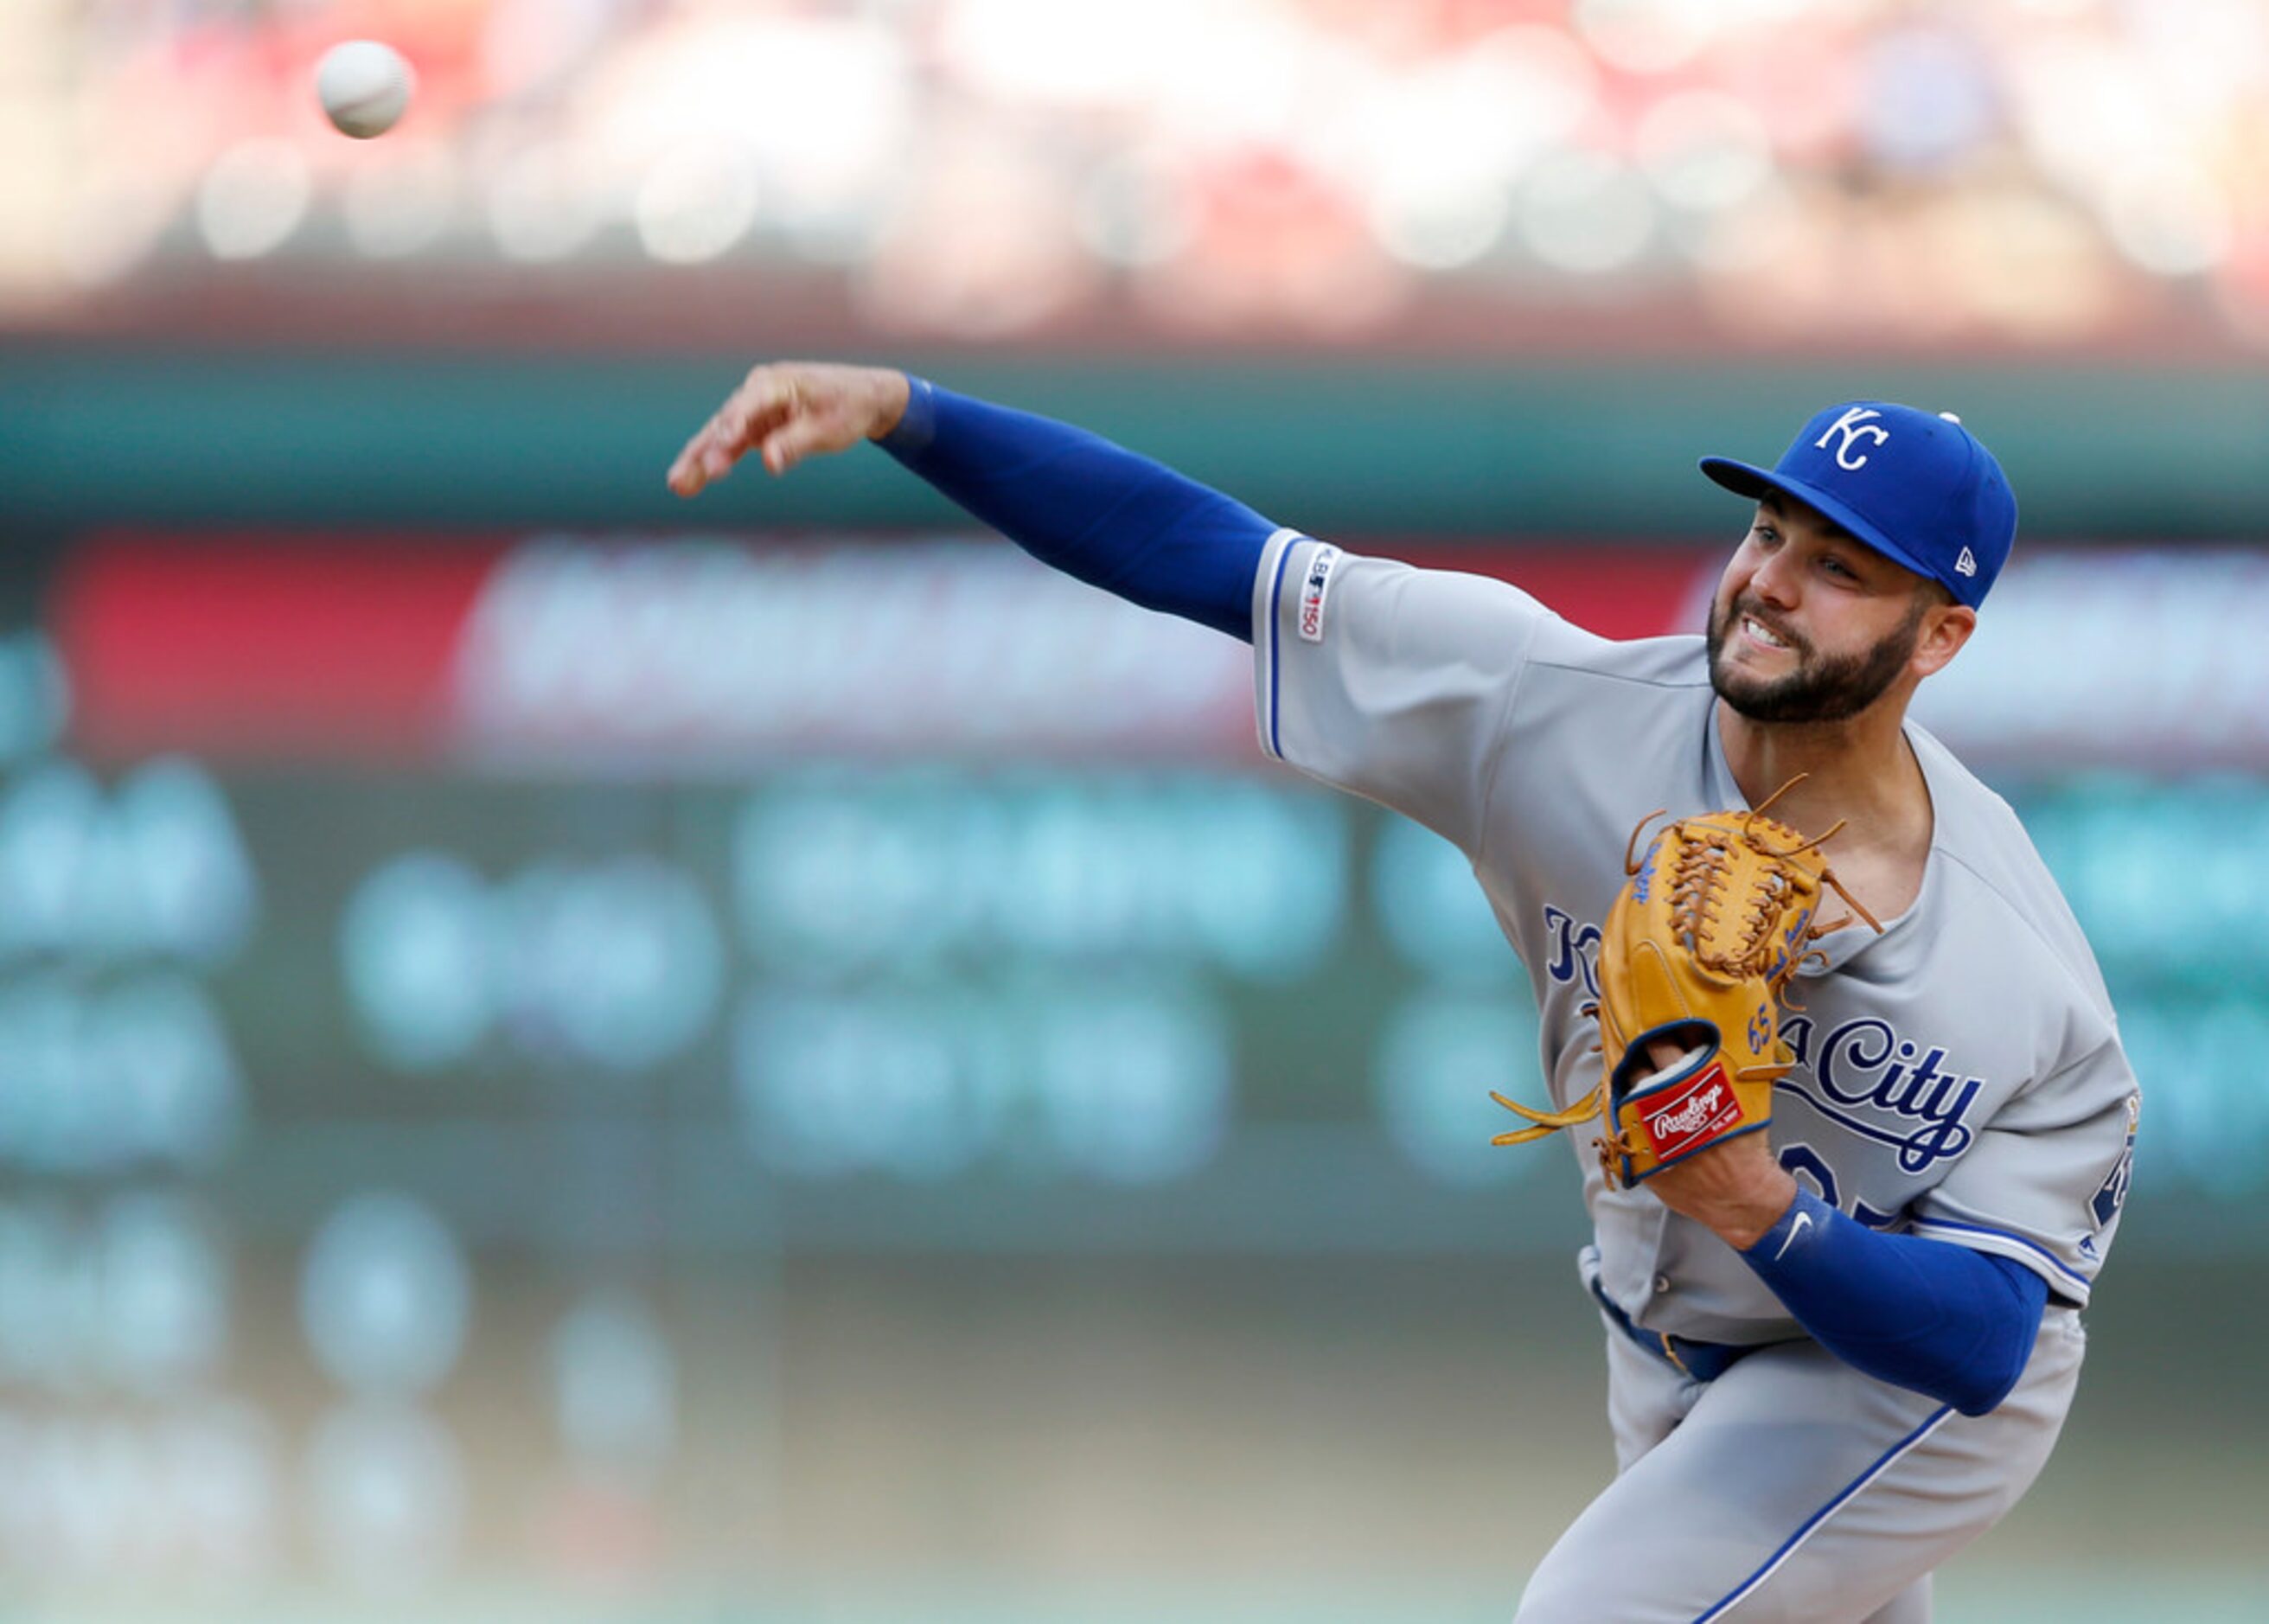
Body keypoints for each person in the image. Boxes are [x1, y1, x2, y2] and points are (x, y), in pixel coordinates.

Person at [668, 365, 2138, 1622]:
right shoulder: (1546, 705)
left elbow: (1985, 1340)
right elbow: (1205, 555)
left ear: (1939, 633)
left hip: (1897, 1387)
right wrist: (910, 412)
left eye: (1844, 567)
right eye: (1770, 530)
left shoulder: (2022, 980)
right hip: (1660, 1344)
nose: (1768, 583)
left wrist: (1756, 1202)